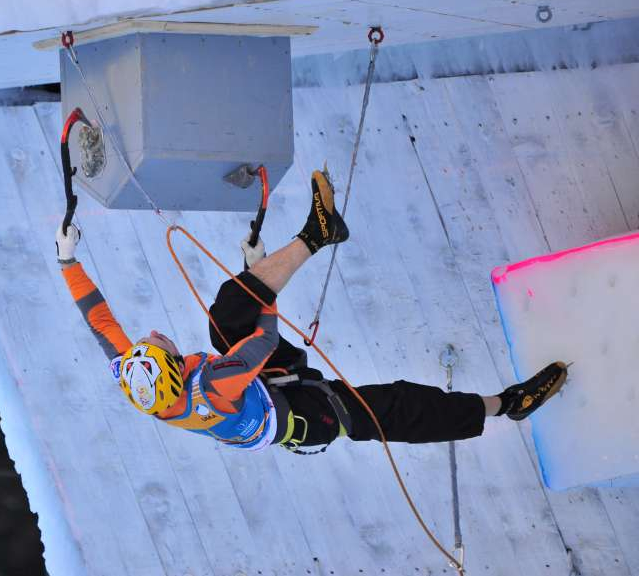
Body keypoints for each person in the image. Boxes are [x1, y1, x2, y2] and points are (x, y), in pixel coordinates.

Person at [56, 170, 568, 453]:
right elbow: (260, 344)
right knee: (395, 408)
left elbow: (100, 322)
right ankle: (508, 404)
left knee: (223, 319)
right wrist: (260, 281)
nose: (154, 335)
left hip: (258, 384)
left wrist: (68, 259)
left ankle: (317, 235)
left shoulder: (140, 379)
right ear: (173, 369)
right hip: (304, 414)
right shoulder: (210, 388)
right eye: (160, 344)